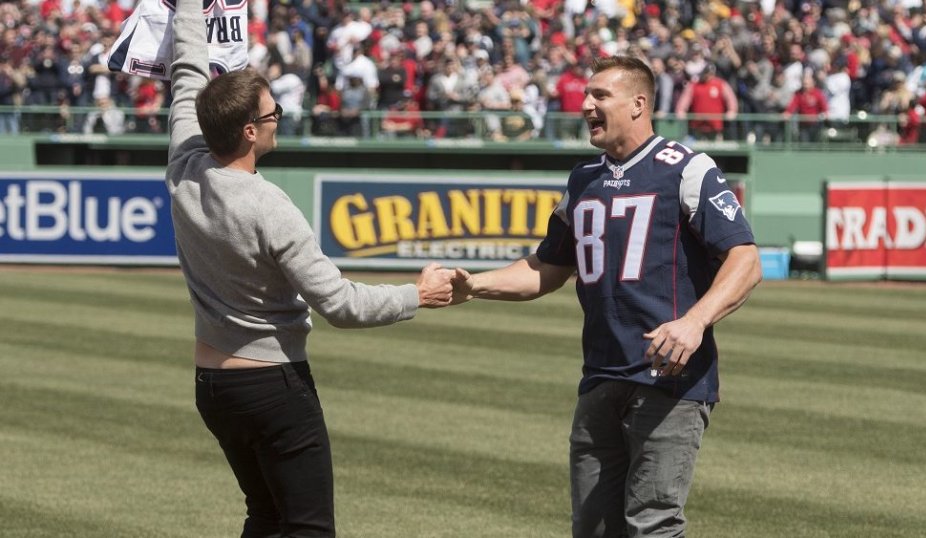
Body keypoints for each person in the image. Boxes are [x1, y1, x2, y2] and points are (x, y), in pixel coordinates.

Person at [167, 0, 456, 536]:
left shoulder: (184, 166)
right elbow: (341, 305)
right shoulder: (268, 203)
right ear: (250, 132)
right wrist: (419, 294)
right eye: (273, 114)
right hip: (273, 385)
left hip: (212, 384)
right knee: (308, 527)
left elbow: (187, 70)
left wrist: (186, 7)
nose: (279, 121)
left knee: (266, 516)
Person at [451, 55, 762, 537]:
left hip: (669, 380)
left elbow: (745, 260)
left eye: (600, 96)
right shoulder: (583, 180)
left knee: (653, 524)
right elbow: (547, 269)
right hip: (599, 376)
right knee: (593, 529)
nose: (585, 105)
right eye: (585, 96)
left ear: (639, 104)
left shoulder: (686, 169)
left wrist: (693, 323)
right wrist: (474, 285)